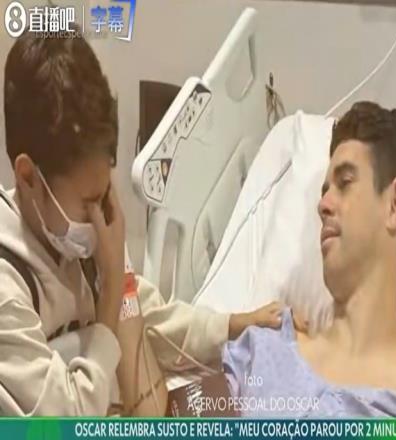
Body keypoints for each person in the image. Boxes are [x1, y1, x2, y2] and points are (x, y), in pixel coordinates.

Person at [0, 29, 298, 416]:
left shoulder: (84, 238)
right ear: (28, 178)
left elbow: (147, 317)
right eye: (88, 204)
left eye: (104, 195)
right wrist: (111, 293)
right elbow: (64, 423)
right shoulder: (9, 286)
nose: (101, 221)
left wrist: (231, 326)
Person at [223, 102, 396, 437]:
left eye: (345, 182)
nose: (323, 205)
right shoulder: (262, 351)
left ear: (395, 204)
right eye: (324, 190)